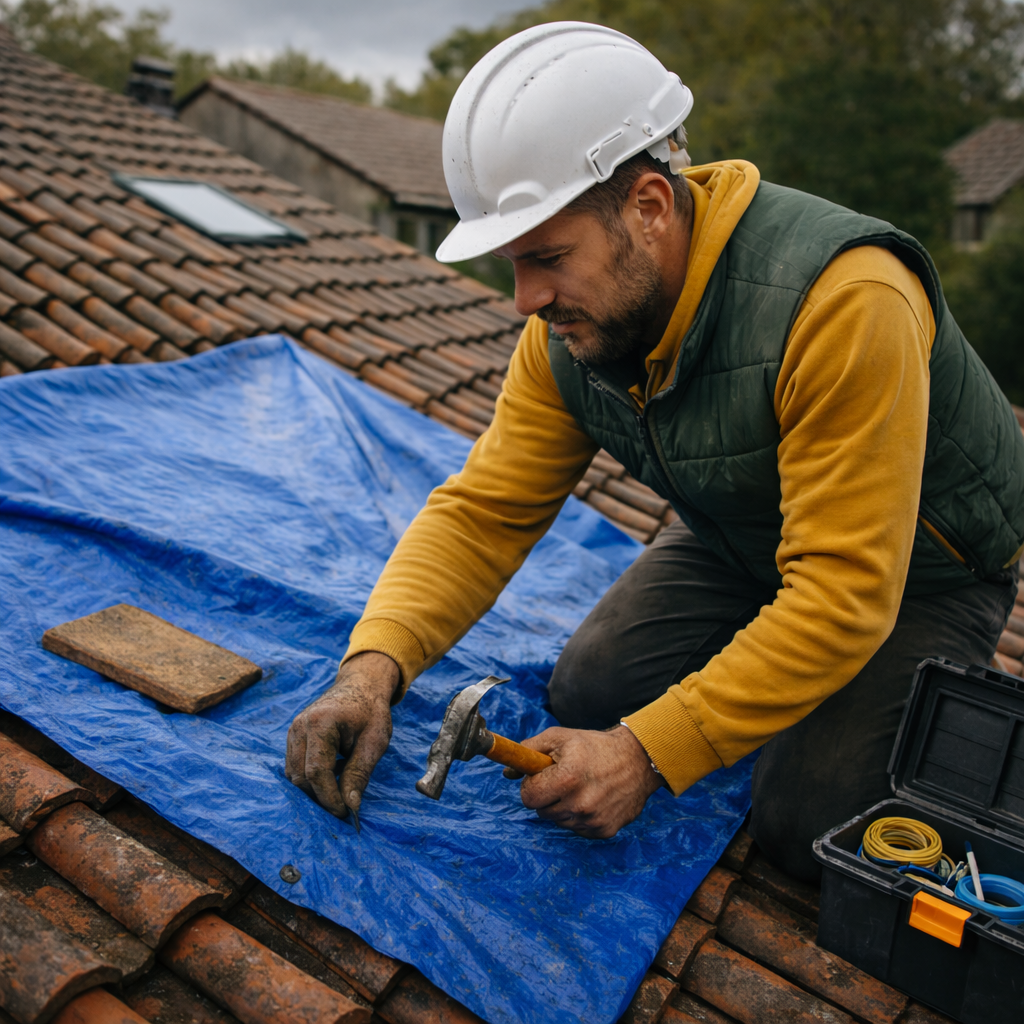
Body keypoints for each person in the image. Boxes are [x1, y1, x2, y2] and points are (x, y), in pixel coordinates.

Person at [286, 23, 1024, 881]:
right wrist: (371, 670)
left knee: (809, 825)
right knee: (590, 691)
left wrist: (643, 754)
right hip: (742, 531)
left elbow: (844, 592)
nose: (527, 299)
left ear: (649, 207)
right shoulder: (566, 331)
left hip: (921, 572)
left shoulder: (844, 303)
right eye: (512, 265)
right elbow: (485, 512)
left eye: (548, 258)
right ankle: (762, 670)